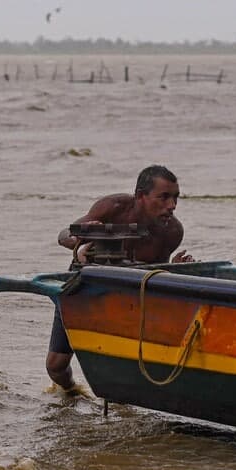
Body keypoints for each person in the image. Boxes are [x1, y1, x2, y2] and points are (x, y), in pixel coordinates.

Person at [46, 164, 193, 394]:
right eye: (163, 197)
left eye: (176, 198)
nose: (172, 206)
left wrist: (175, 271)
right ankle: (72, 393)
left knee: (123, 361)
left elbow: (156, 277)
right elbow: (64, 235)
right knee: (55, 366)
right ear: (140, 196)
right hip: (84, 287)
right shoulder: (113, 207)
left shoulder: (172, 231)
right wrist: (80, 235)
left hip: (128, 297)